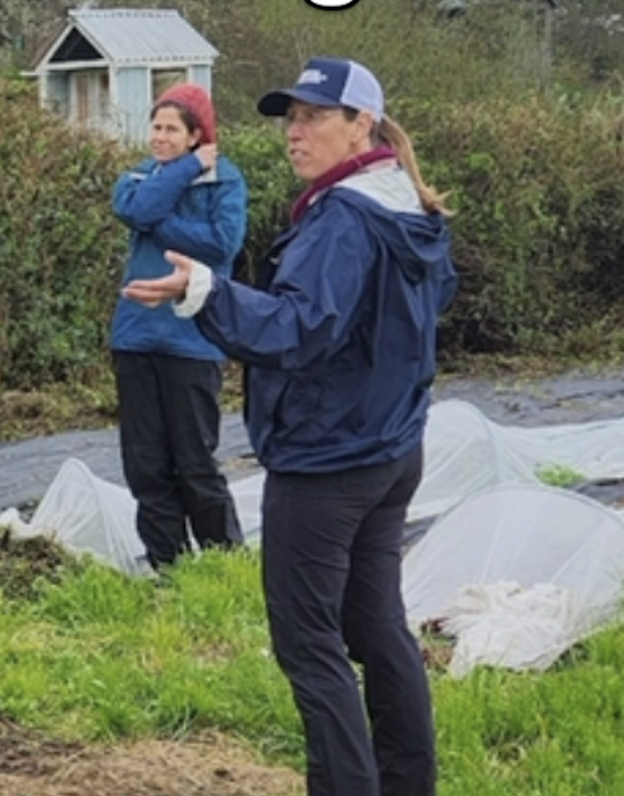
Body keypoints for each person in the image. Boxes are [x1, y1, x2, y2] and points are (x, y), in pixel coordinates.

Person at [124, 58, 457, 796]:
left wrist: (206, 292)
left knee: (310, 647)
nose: (294, 131)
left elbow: (299, 328)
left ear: (361, 125)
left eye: (314, 116)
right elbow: (417, 311)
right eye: (290, 116)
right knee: (375, 629)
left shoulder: (346, 217)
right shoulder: (410, 208)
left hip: (329, 462)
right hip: (390, 448)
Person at [108, 82, 248, 569]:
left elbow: (221, 245)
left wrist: (157, 223)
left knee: (195, 461)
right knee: (146, 462)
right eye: (156, 127)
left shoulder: (226, 182)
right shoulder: (137, 175)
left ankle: (223, 561)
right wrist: (187, 169)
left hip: (193, 341)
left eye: (172, 130)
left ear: (196, 134)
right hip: (136, 337)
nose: (160, 137)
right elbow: (135, 208)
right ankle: (166, 563)